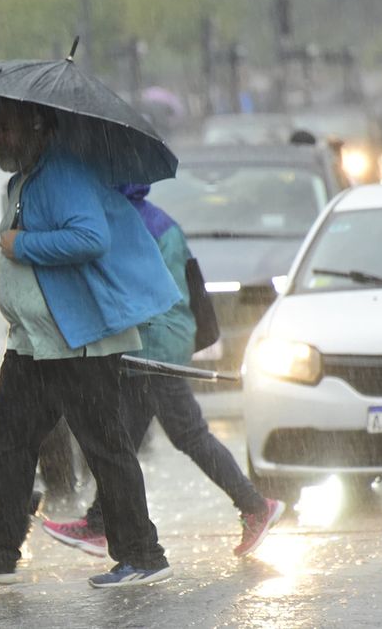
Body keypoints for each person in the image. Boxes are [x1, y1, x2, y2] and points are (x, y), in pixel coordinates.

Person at [0, 98, 183, 588]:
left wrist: (22, 244)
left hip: (75, 342)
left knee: (104, 446)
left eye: (6, 127)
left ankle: (143, 554)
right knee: (10, 442)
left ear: (37, 125)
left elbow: (90, 238)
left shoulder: (63, 173)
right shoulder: (29, 177)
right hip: (34, 341)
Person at [41, 183, 285, 560]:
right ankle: (100, 521)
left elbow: (122, 289)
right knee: (123, 439)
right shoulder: (153, 219)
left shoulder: (125, 223)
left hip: (154, 346)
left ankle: (254, 505)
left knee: (183, 434)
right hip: (161, 339)